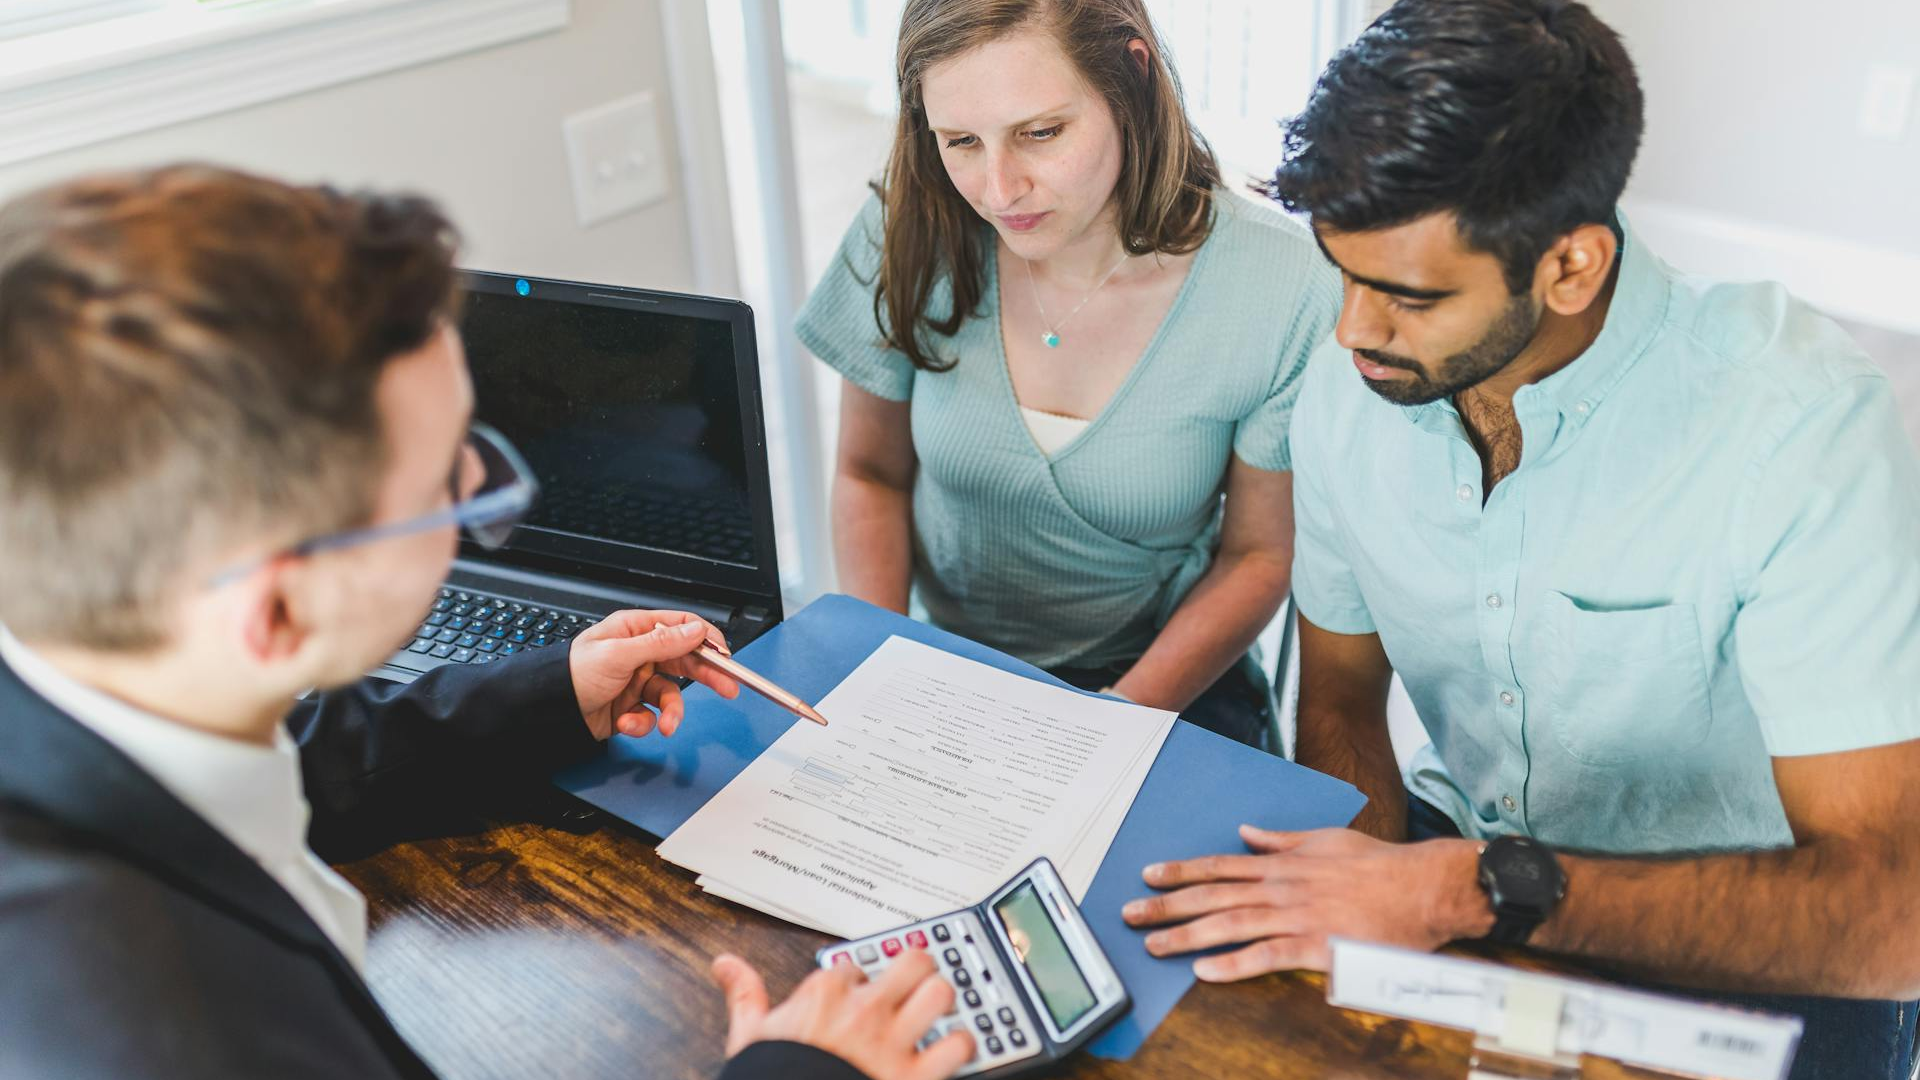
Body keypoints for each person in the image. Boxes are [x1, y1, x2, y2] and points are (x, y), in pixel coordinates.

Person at [0, 166, 972, 1080]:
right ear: (278, 613)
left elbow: (306, 755)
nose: (482, 493)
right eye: (450, 490)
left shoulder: (106, 687)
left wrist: (555, 693)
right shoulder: (145, 1032)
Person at [1118, 2, 1920, 1077]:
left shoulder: (1801, 430)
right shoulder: (1350, 387)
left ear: (1571, 267)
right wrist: (1351, 908)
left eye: (1408, 296)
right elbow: (1343, 696)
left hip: (1752, 938)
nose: (1355, 330)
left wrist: (1464, 890)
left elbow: (1891, 924)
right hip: (1458, 883)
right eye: (1343, 275)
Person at [797, 0, 1340, 746]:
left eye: (1040, 133)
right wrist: (883, 669)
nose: (997, 189)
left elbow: (1258, 554)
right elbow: (869, 474)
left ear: (1131, 78)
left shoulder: (1280, 281)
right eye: (960, 141)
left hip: (1156, 680)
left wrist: (1107, 725)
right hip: (935, 665)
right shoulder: (909, 222)